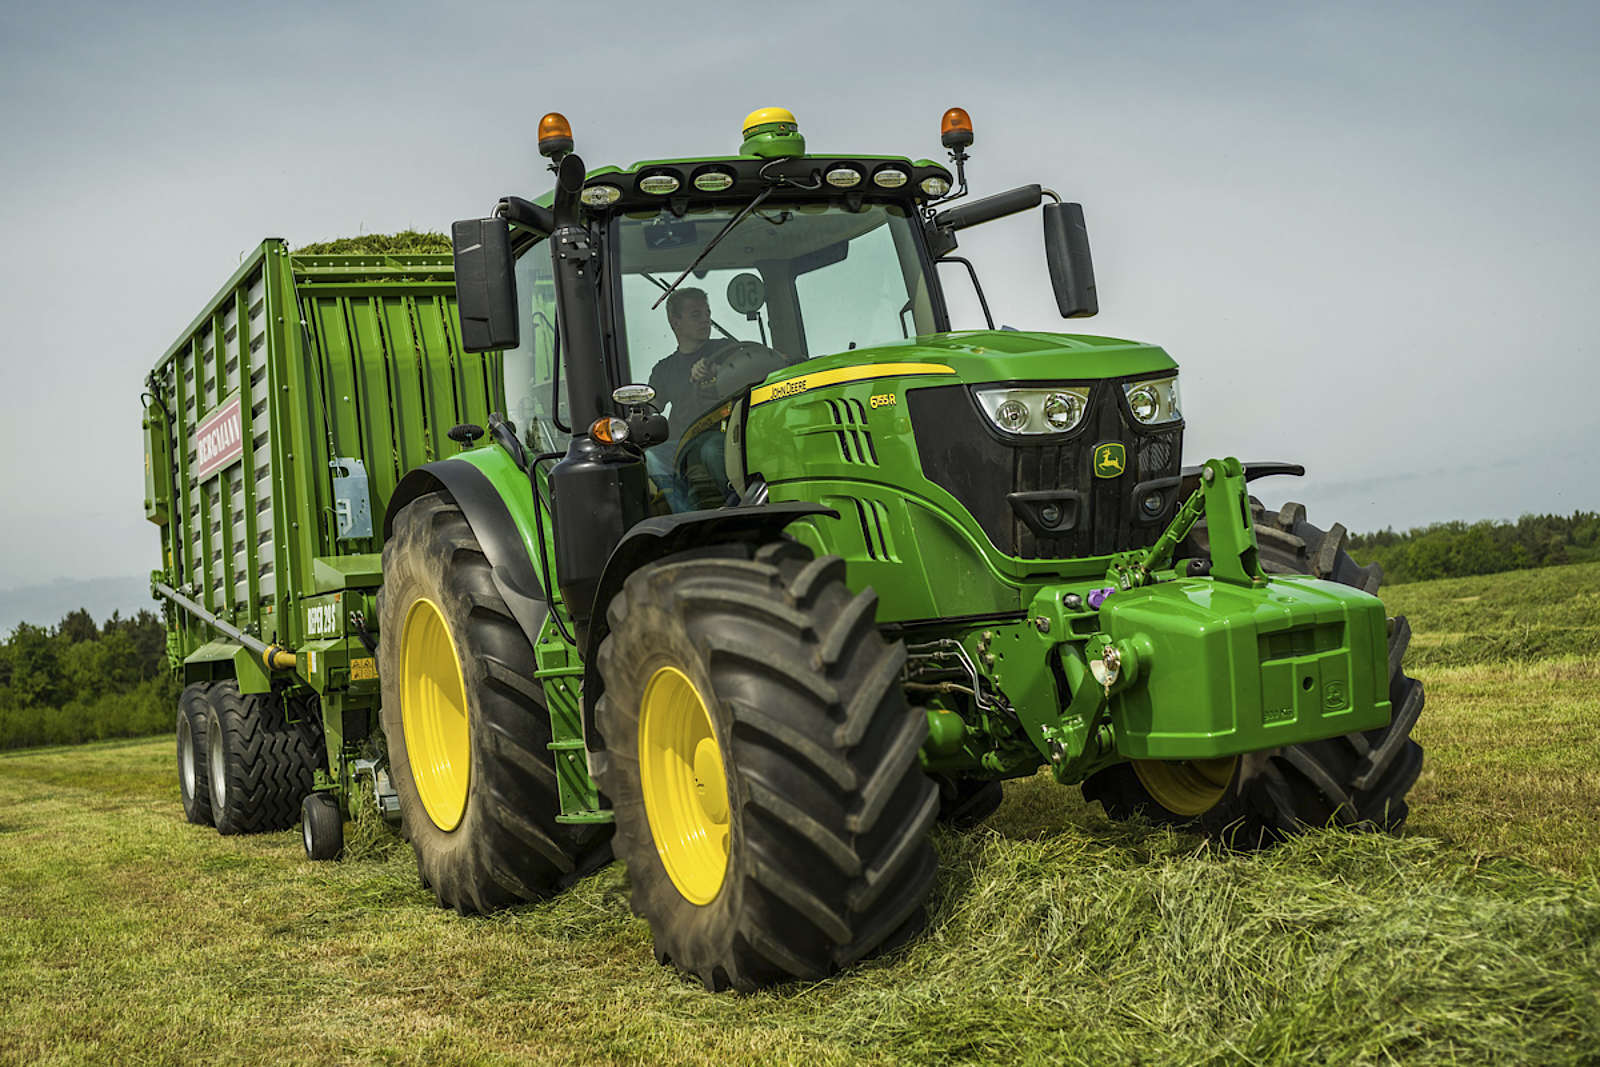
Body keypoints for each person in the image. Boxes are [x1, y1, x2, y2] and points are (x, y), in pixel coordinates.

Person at [645, 288, 731, 511]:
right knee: (651, 456)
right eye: (696, 315)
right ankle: (686, 517)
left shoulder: (725, 349)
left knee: (711, 450)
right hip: (682, 444)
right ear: (676, 323)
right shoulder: (664, 369)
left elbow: (744, 368)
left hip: (723, 434)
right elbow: (650, 407)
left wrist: (717, 371)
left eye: (707, 313)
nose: (706, 320)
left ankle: (736, 506)